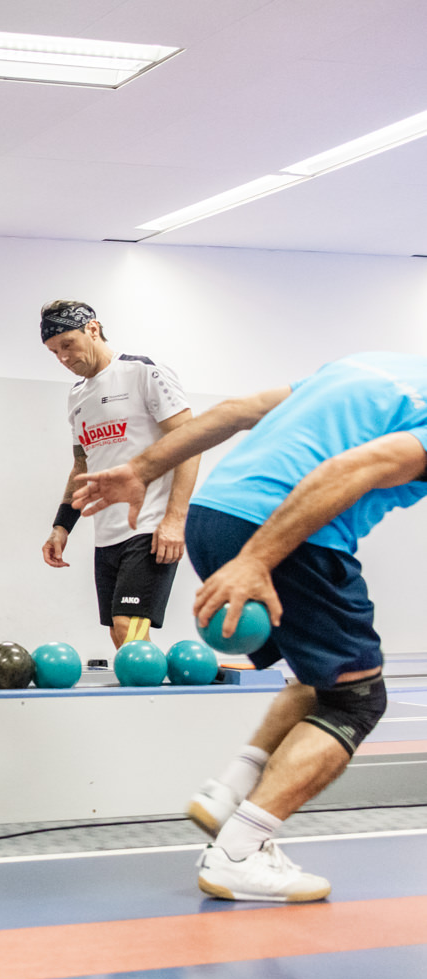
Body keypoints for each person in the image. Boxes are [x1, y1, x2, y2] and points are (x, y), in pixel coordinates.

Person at [73, 351, 427, 903]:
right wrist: (257, 559)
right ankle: (239, 853)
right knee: (356, 700)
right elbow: (351, 469)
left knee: (319, 679)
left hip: (213, 515)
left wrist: (141, 468)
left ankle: (227, 792)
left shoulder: (372, 369)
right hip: (285, 531)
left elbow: (236, 410)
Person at [39, 301, 200, 650]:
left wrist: (175, 520)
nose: (63, 357)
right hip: (107, 533)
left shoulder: (143, 372)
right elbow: (82, 466)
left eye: (67, 344)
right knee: (118, 632)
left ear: (93, 329)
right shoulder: (77, 396)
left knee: (128, 627)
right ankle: (155, 684)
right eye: (53, 352)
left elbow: (190, 443)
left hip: (151, 525)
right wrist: (61, 526)